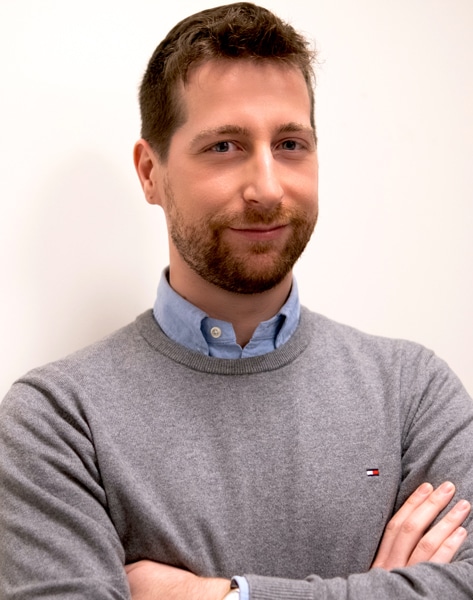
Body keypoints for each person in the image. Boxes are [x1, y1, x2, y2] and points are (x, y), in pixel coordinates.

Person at [1, 3, 472, 599]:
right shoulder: (59, 421)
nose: (268, 188)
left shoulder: (411, 393)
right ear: (150, 173)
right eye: (224, 146)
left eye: (291, 144)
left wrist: (219, 595)